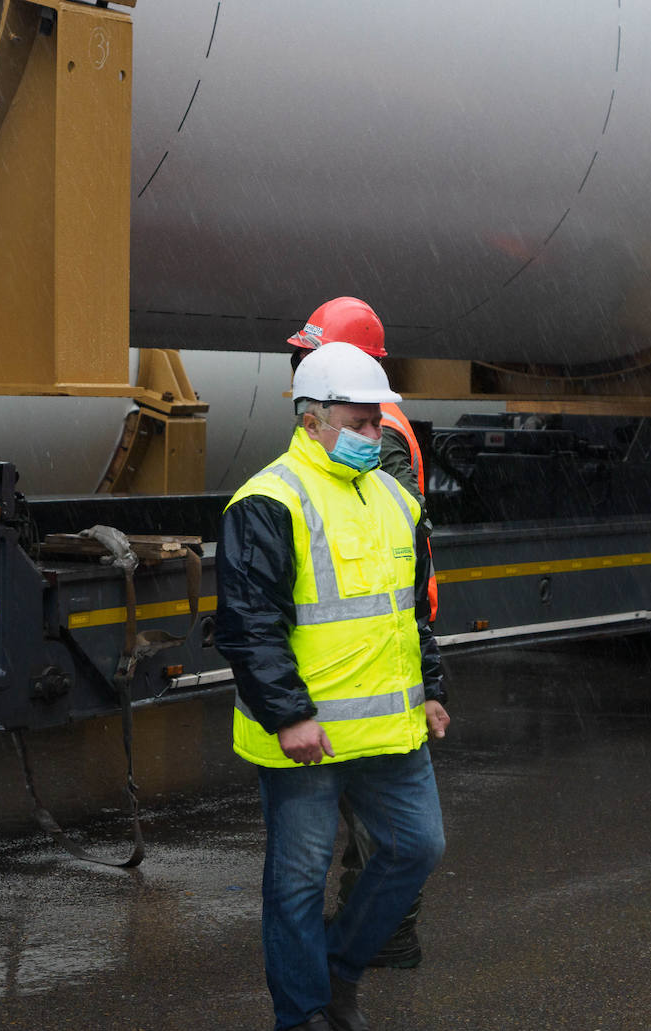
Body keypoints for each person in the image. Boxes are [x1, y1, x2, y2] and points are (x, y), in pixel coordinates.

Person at [216, 341, 450, 1031]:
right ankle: (305, 1013)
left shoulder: (394, 501)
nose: (375, 434)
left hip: (389, 730)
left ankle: (338, 967)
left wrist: (431, 688)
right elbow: (248, 623)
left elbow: (410, 612)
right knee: (296, 879)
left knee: (418, 846)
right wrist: (288, 715)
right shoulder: (268, 500)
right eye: (360, 421)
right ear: (313, 419)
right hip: (307, 737)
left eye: (378, 421)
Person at [286, 297, 436, 969]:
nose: (299, 366)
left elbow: (392, 544)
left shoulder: (381, 436)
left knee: (380, 814)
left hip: (381, 643)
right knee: (367, 807)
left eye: (310, 355)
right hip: (363, 643)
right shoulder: (340, 424)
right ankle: (371, 931)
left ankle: (384, 934)